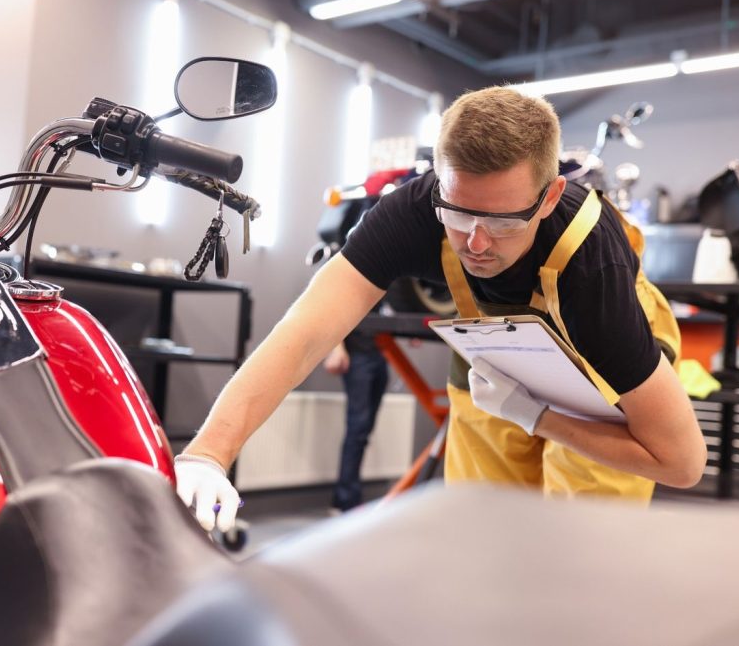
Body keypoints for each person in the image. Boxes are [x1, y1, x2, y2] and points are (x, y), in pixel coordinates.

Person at [173, 86, 707, 533]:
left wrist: (539, 418)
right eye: (456, 213)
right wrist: (209, 453)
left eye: (501, 222)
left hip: (594, 373)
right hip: (496, 359)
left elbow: (681, 463)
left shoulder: (593, 276)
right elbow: (305, 333)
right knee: (481, 536)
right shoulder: (409, 212)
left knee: (578, 547)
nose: (474, 243)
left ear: (548, 199)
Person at [322, 328, 389, 513]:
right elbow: (335, 312)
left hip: (380, 354)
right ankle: (346, 501)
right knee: (357, 430)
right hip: (357, 355)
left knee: (364, 431)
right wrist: (336, 348)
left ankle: (346, 498)